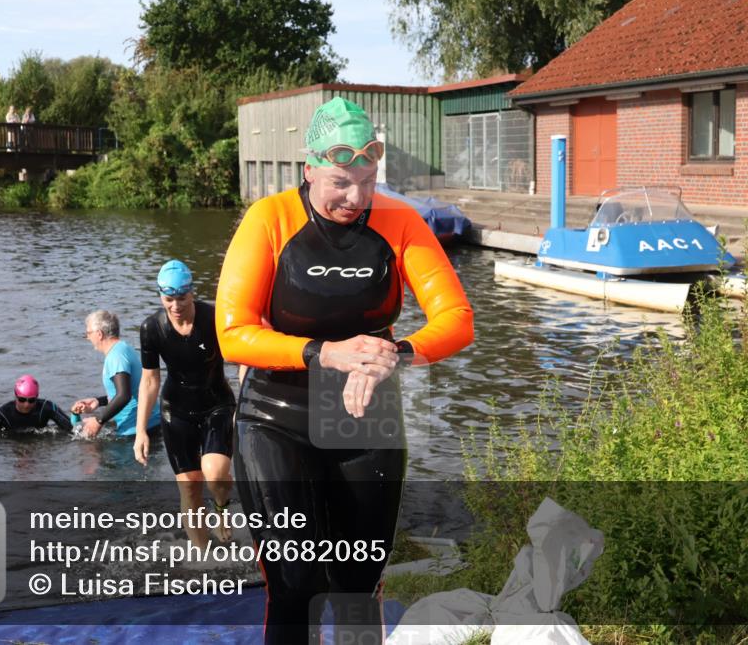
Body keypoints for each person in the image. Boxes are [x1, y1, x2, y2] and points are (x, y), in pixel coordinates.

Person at [215, 97, 474, 643]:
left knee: (358, 581)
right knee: (297, 582)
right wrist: (322, 353)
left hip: (365, 414)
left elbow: (456, 319)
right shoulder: (270, 219)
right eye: (339, 182)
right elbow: (232, 333)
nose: (356, 199)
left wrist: (395, 354)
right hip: (275, 415)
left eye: (368, 180)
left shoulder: (399, 222)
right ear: (307, 170)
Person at [134, 260, 236, 546]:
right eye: (169, 299)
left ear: (192, 293)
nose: (176, 306)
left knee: (215, 474)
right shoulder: (151, 328)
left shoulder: (213, 319)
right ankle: (202, 556)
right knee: (189, 487)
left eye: (182, 298)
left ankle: (221, 508)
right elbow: (150, 380)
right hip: (176, 410)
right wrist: (141, 429)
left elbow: (242, 358)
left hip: (217, 404)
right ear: (160, 297)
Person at [72, 310, 161, 440]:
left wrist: (98, 421)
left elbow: (124, 395)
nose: (88, 338)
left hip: (136, 432)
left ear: (99, 334)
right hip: (150, 425)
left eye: (88, 333)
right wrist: (98, 401)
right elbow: (128, 389)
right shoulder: (123, 348)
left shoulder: (116, 356)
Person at [0, 374, 73, 433]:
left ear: (37, 397)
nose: (26, 405)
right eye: (22, 399)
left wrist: (75, 414)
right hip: (13, 443)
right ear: (15, 396)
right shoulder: (2, 414)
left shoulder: (46, 407)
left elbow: (72, 428)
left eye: (31, 400)